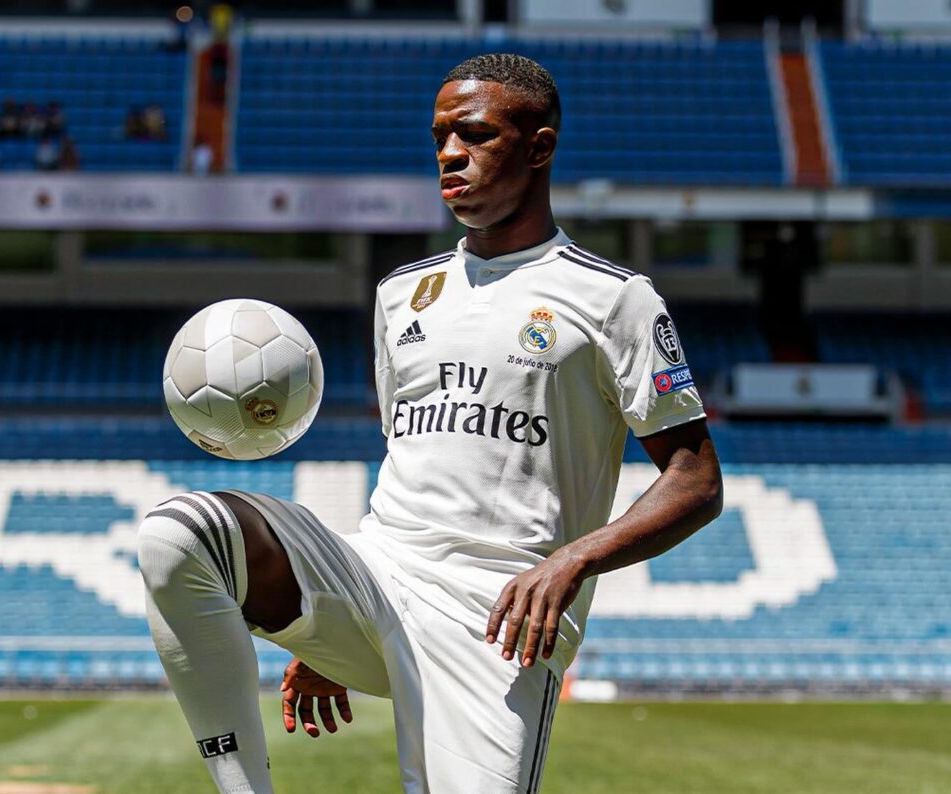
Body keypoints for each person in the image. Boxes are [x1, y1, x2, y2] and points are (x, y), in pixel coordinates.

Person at [137, 54, 723, 793]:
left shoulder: (614, 300)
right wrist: (330, 633)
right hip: (379, 574)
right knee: (178, 534)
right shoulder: (401, 294)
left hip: (499, 619)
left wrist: (573, 561)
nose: (449, 153)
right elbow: (412, 458)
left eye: (474, 135)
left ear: (538, 147)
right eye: (440, 136)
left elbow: (696, 481)